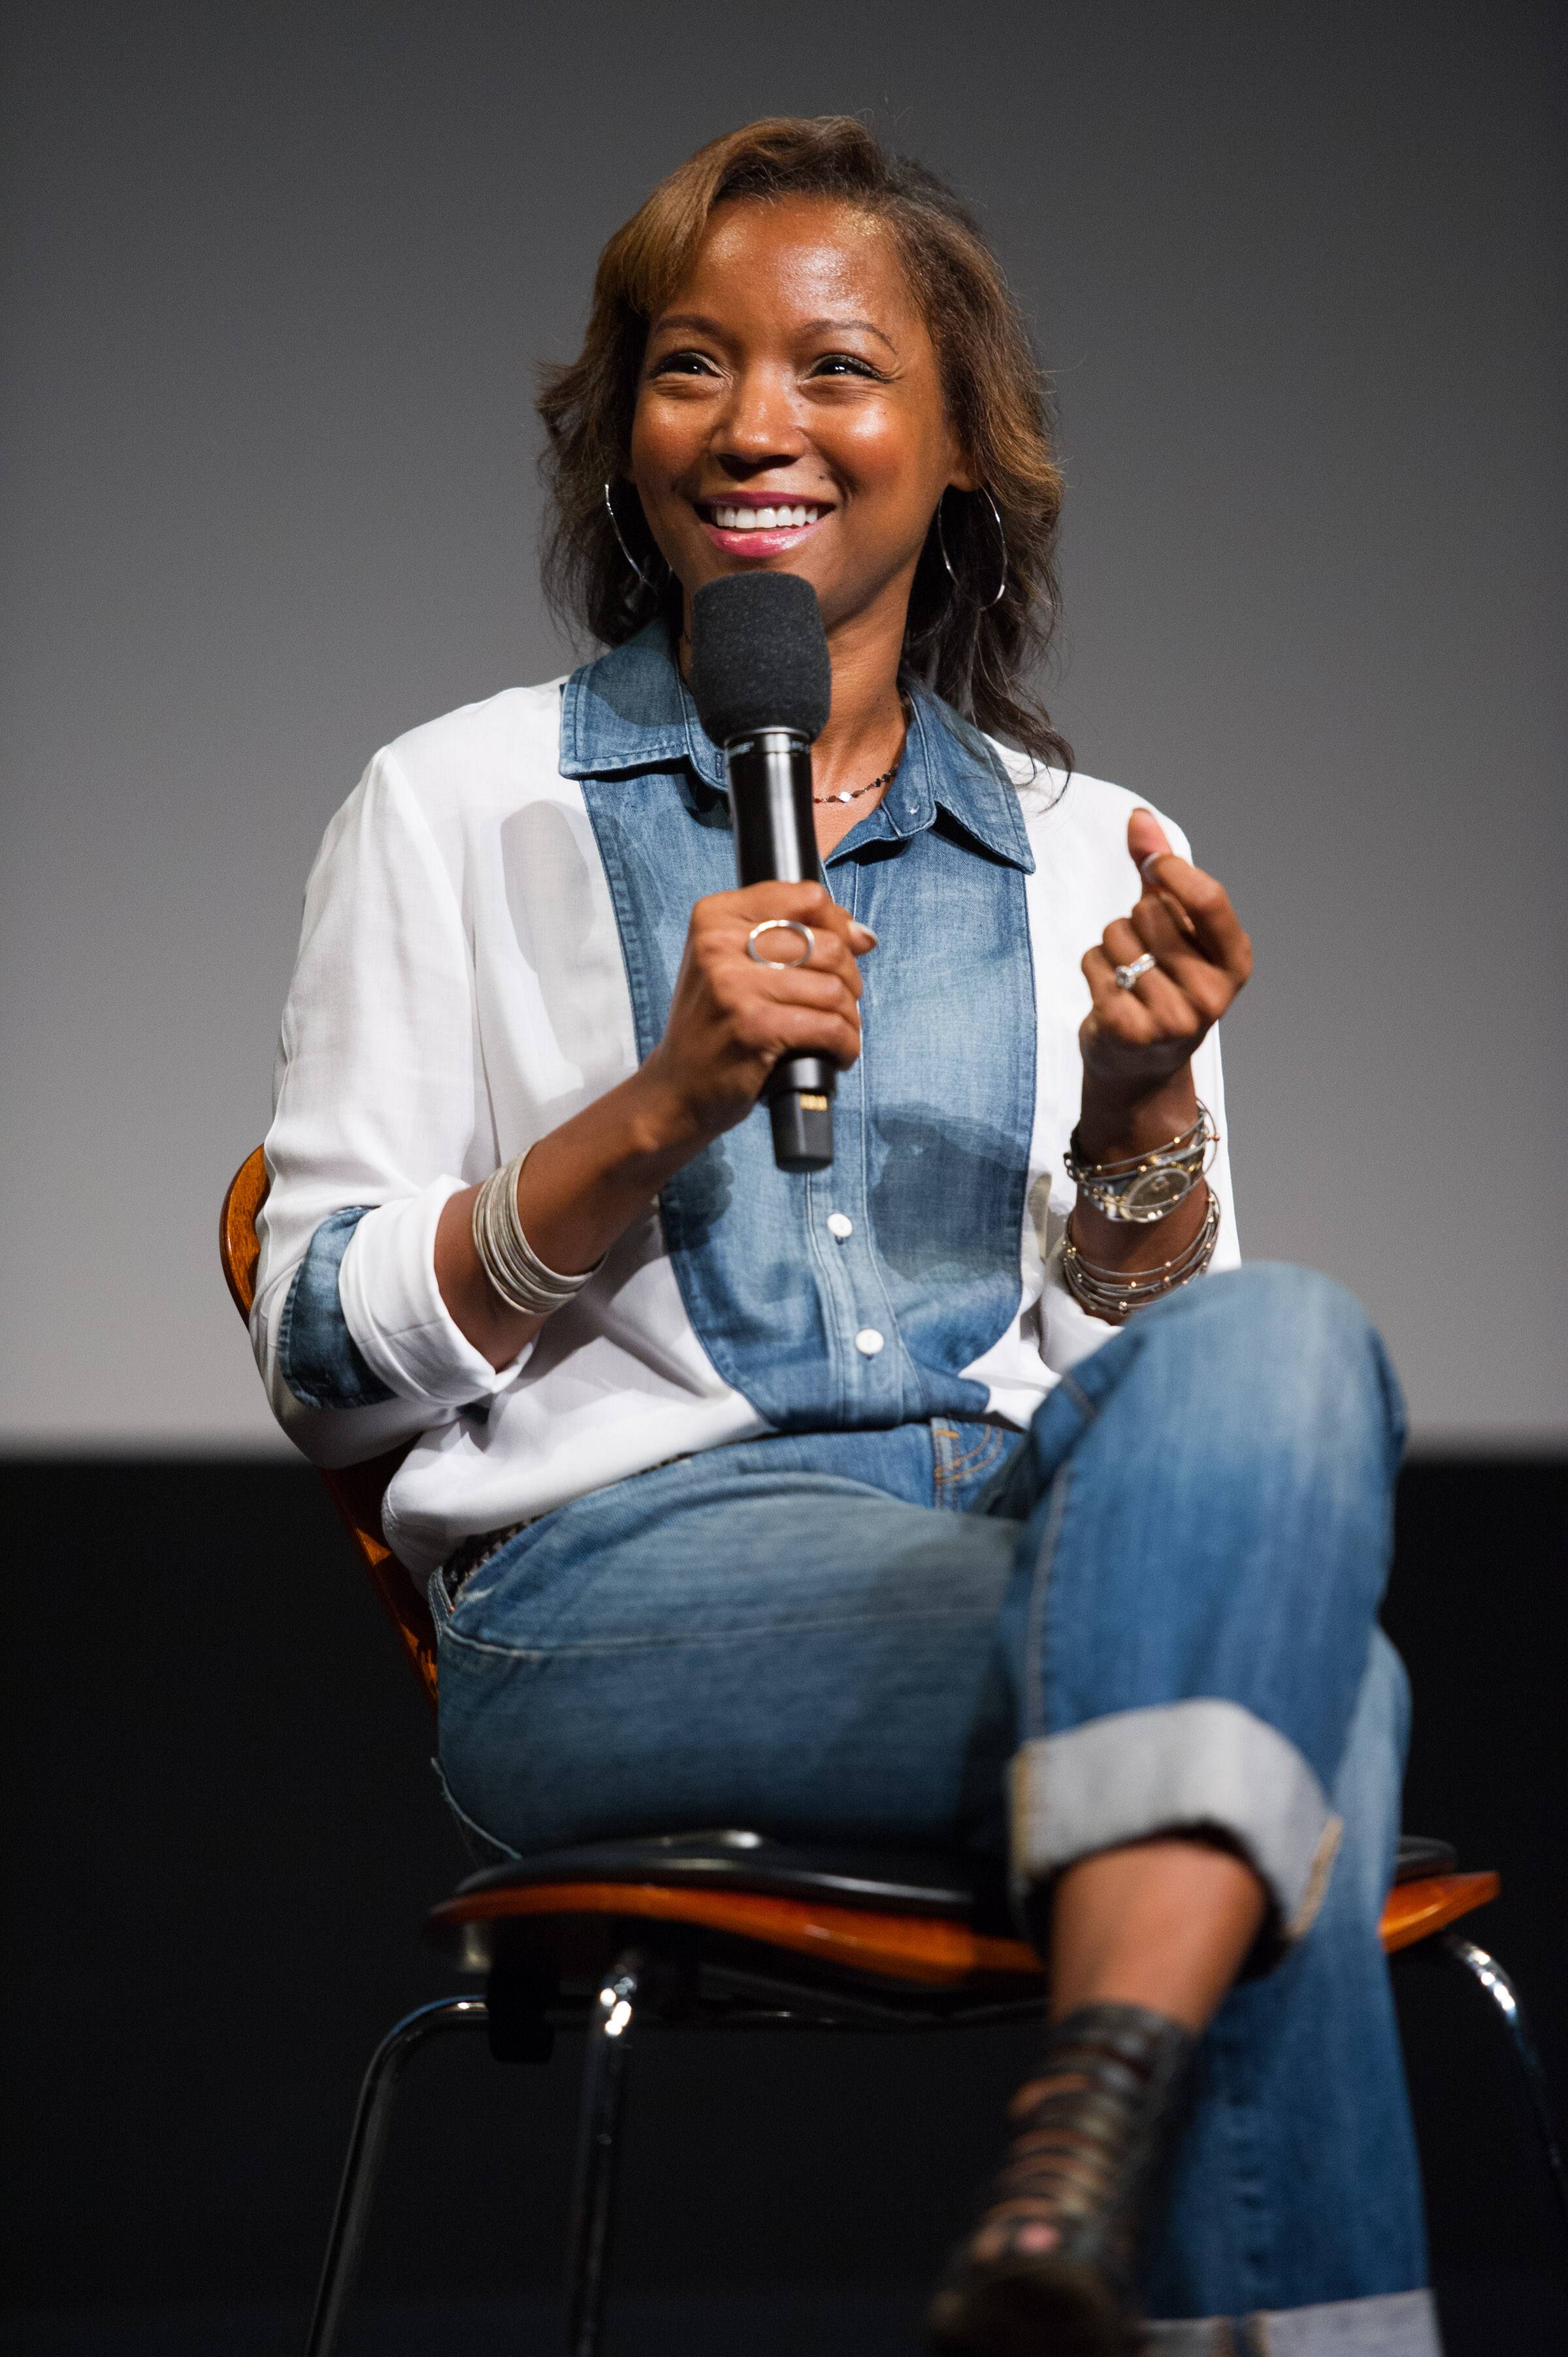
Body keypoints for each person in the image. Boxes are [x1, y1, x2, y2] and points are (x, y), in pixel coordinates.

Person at [250, 116, 1436, 2357]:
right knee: (1322, 1703)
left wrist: (1145, 1120)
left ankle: (1087, 2131)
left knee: (1285, 1339)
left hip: (1011, 1533)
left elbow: (1175, 1411)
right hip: (620, 1597)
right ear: (623, 430)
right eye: (692, 365)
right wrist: (656, 1110)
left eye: (837, 367)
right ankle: (1166, 2170)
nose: (757, 425)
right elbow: (322, 1350)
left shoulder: (1091, 847)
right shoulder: (459, 805)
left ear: (963, 443)